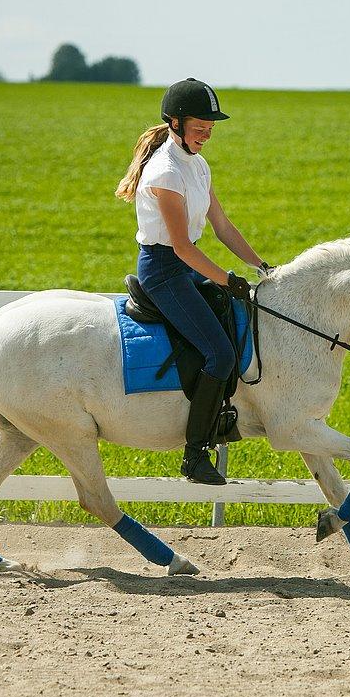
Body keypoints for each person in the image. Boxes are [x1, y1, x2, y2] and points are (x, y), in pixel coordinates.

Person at [115, 78, 269, 486]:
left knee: (233, 322)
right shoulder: (164, 172)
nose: (207, 134)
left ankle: (223, 413)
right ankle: (195, 455)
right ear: (175, 123)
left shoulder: (198, 165)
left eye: (211, 128)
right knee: (219, 353)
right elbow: (182, 247)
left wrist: (262, 266)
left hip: (187, 266)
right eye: (200, 127)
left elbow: (222, 226)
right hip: (165, 271)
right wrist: (227, 279)